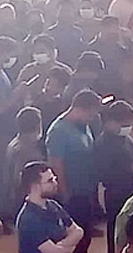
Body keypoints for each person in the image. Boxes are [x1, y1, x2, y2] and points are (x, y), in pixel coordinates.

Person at [45, 89, 101, 253]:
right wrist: (64, 193)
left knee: (85, 236)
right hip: (71, 194)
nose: (93, 118)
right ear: (80, 109)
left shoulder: (83, 125)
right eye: (91, 114)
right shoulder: (58, 131)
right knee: (73, 241)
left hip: (85, 191)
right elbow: (56, 164)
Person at [95, 100, 133, 253]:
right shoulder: (103, 144)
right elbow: (103, 174)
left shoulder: (125, 138)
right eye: (125, 124)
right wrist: (130, 170)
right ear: (111, 122)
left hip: (131, 192)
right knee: (117, 234)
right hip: (116, 195)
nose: (128, 128)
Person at [16, 161, 84, 253]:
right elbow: (53, 251)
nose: (55, 183)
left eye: (54, 179)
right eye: (50, 180)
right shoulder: (28, 219)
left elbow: (78, 231)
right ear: (35, 187)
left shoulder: (53, 205)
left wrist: (62, 245)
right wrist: (71, 245)